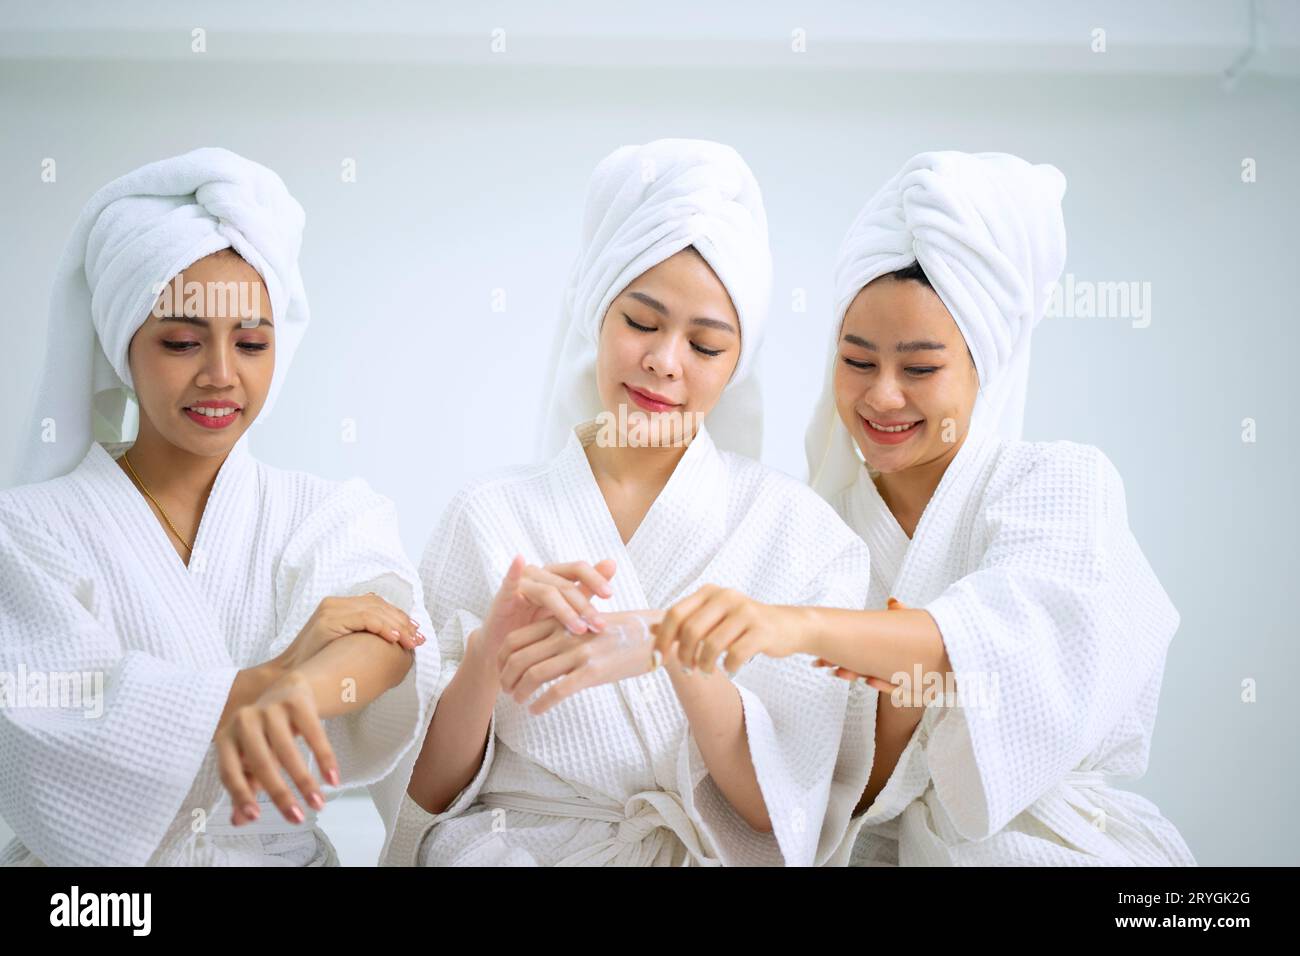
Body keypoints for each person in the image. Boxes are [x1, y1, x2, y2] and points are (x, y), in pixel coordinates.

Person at [654, 150, 1196, 866]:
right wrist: (899, 710)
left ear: (984, 364)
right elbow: (828, 793)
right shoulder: (817, 529)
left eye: (919, 368)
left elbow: (1009, 642)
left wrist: (800, 628)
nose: (882, 395)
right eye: (856, 361)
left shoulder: (1062, 484)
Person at [377, 139, 873, 867]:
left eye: (705, 346)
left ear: (737, 366)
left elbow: (777, 811)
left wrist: (674, 645)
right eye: (642, 322)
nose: (664, 361)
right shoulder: (487, 514)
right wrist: (486, 656)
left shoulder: (799, 534)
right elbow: (423, 798)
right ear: (596, 316)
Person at [0, 147, 440, 866]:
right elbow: (40, 715)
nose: (220, 375)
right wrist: (254, 684)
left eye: (251, 342)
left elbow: (386, 643)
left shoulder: (326, 510)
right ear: (123, 346)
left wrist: (290, 688)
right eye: (181, 341)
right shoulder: (28, 529)